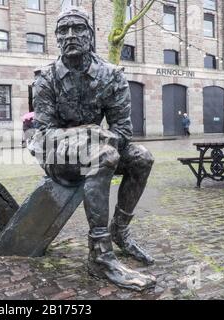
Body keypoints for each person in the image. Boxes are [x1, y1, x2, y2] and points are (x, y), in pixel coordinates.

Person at [28, 7, 155, 291]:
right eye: (63, 30)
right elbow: (45, 134)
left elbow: (123, 132)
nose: (70, 35)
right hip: (55, 155)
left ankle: (119, 232)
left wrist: (97, 139)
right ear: (56, 38)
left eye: (78, 28)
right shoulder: (46, 79)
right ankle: (99, 254)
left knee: (142, 158)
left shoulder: (111, 76)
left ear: (91, 35)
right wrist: (90, 133)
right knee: (103, 154)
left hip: (97, 149)